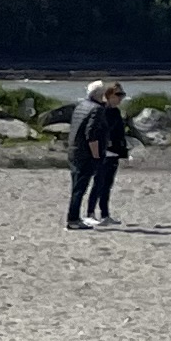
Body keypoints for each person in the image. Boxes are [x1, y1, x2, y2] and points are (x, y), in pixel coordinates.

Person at [65, 79, 129, 229]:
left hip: (79, 151)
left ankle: (85, 216)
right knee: (85, 187)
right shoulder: (97, 109)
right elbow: (91, 134)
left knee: (88, 187)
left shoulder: (82, 106)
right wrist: (96, 154)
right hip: (89, 154)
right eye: (117, 94)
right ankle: (78, 218)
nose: (120, 98)